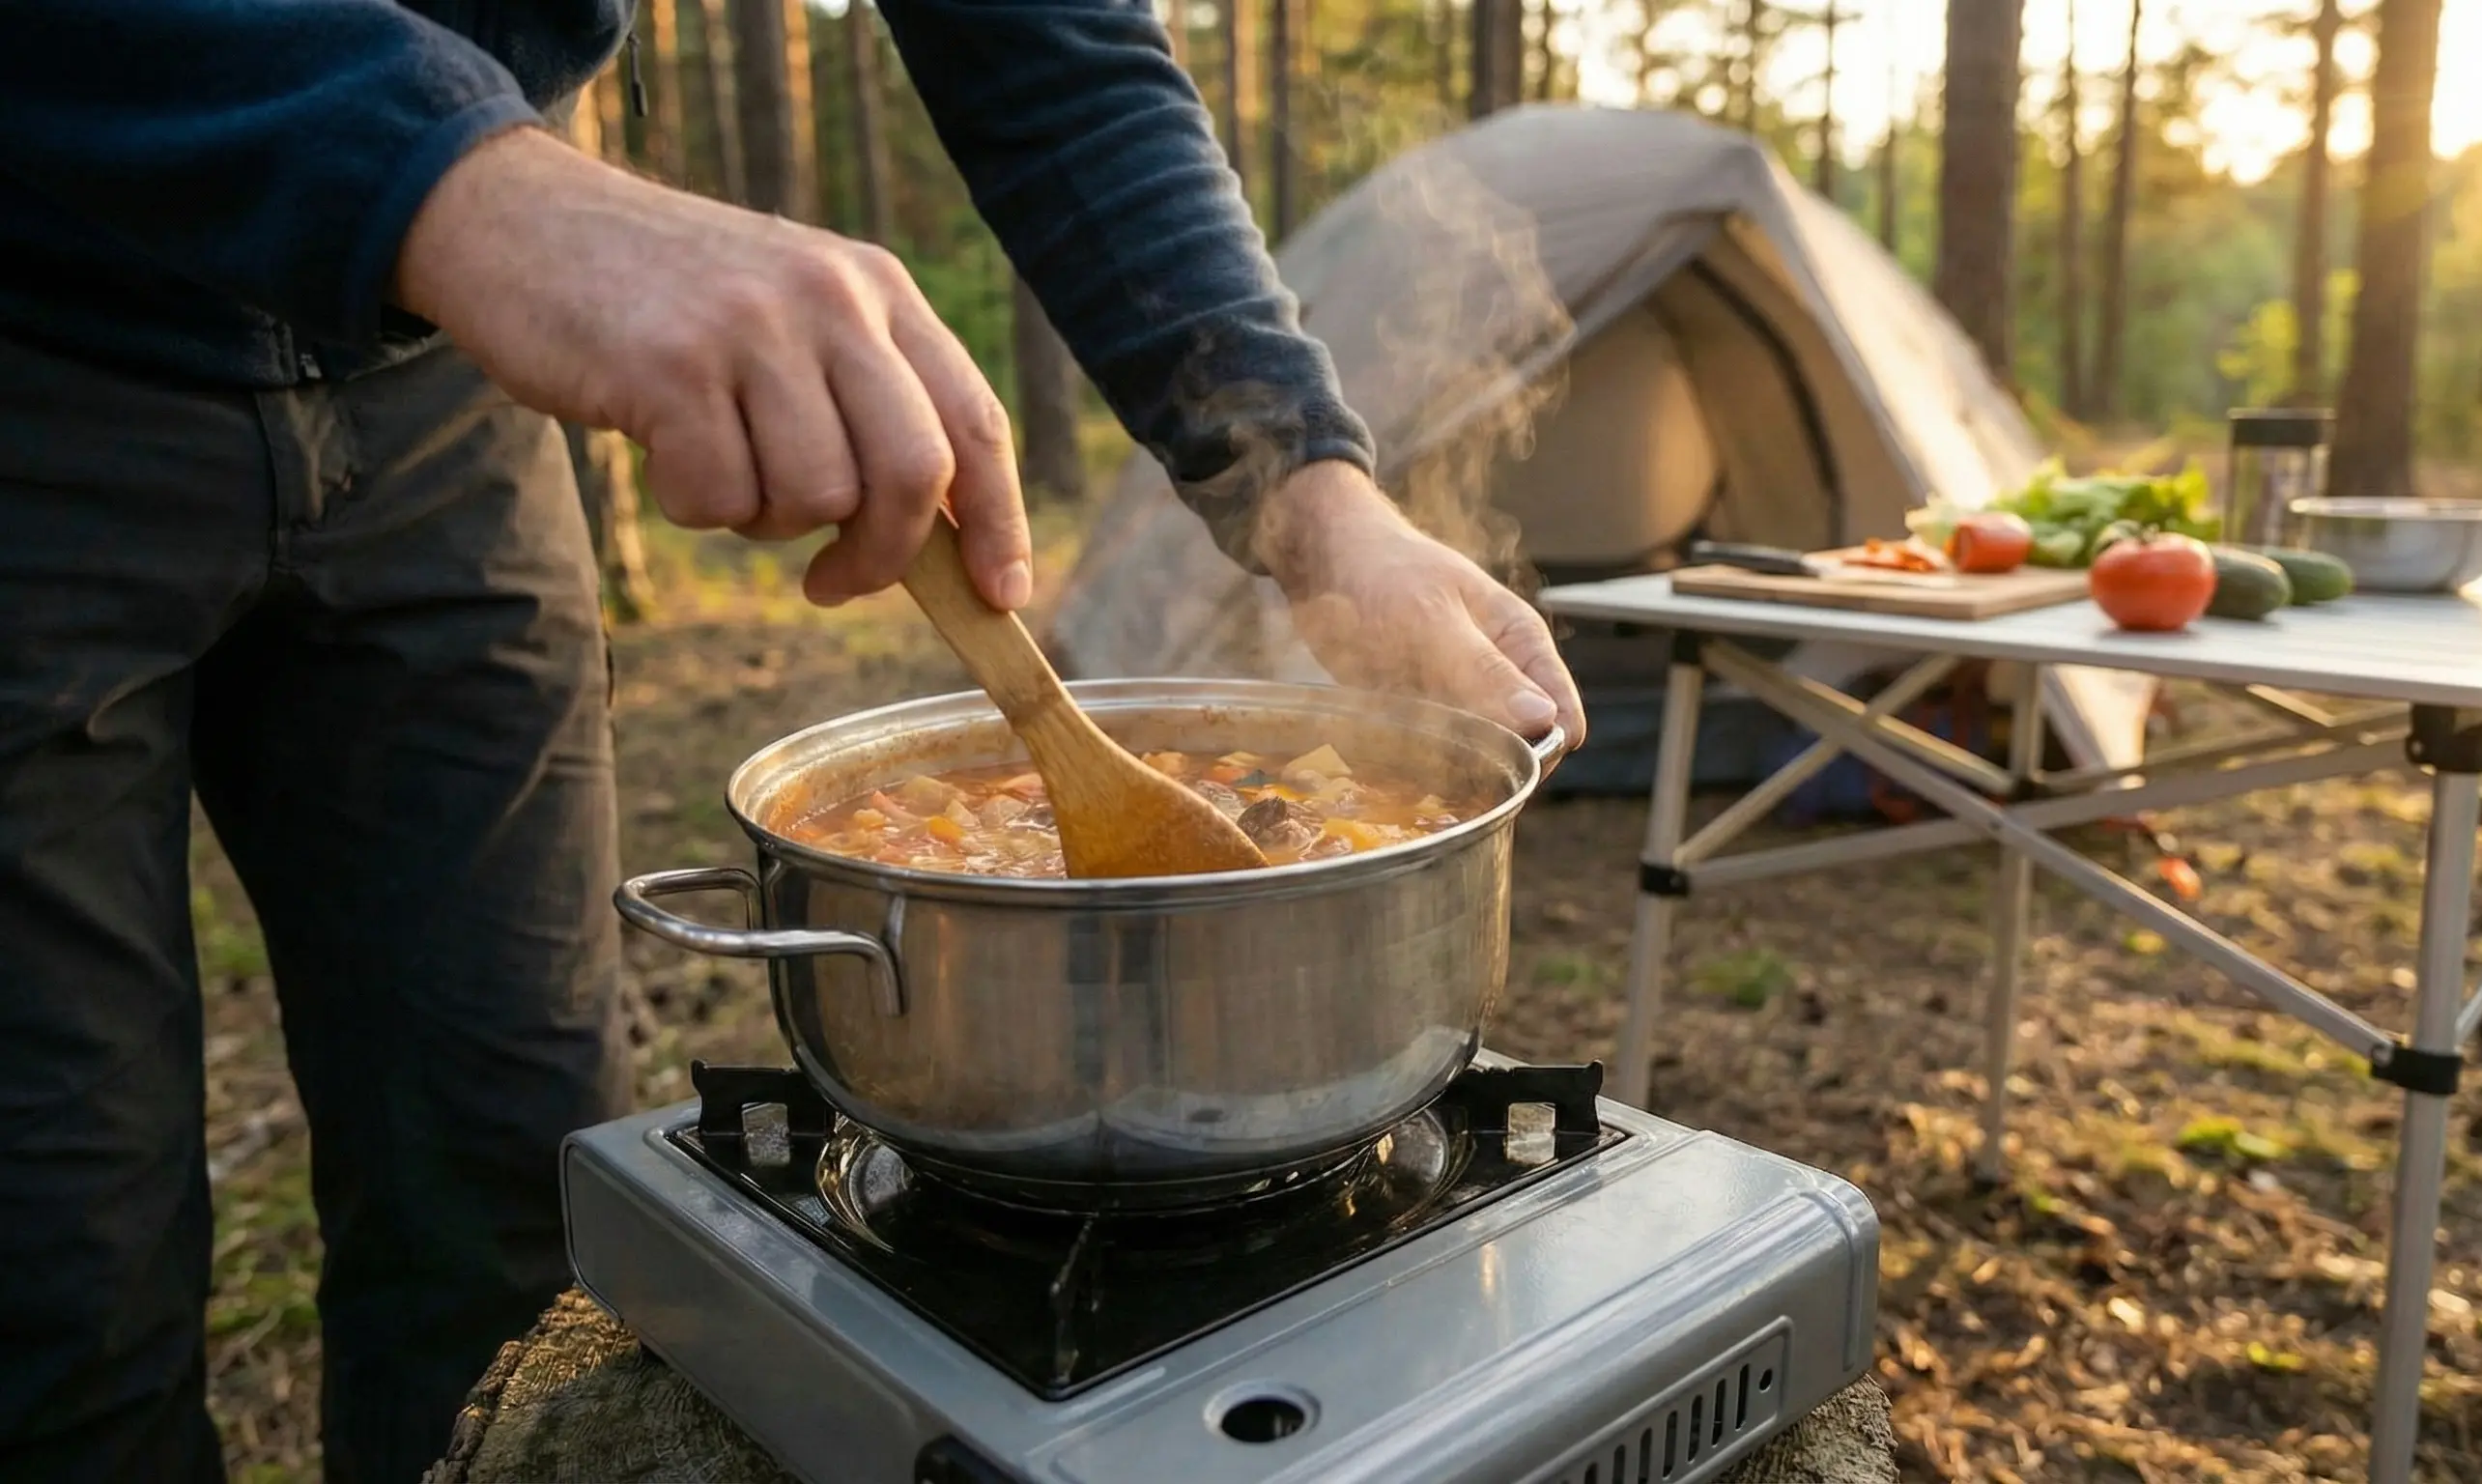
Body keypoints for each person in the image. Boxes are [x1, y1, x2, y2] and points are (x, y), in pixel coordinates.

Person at [0, 3, 1585, 1480]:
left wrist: (1314, 498)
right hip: (45, 327)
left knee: (497, 1196)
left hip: (441, 397)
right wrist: (466, 179)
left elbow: (1054, 51)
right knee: (56, 1266)